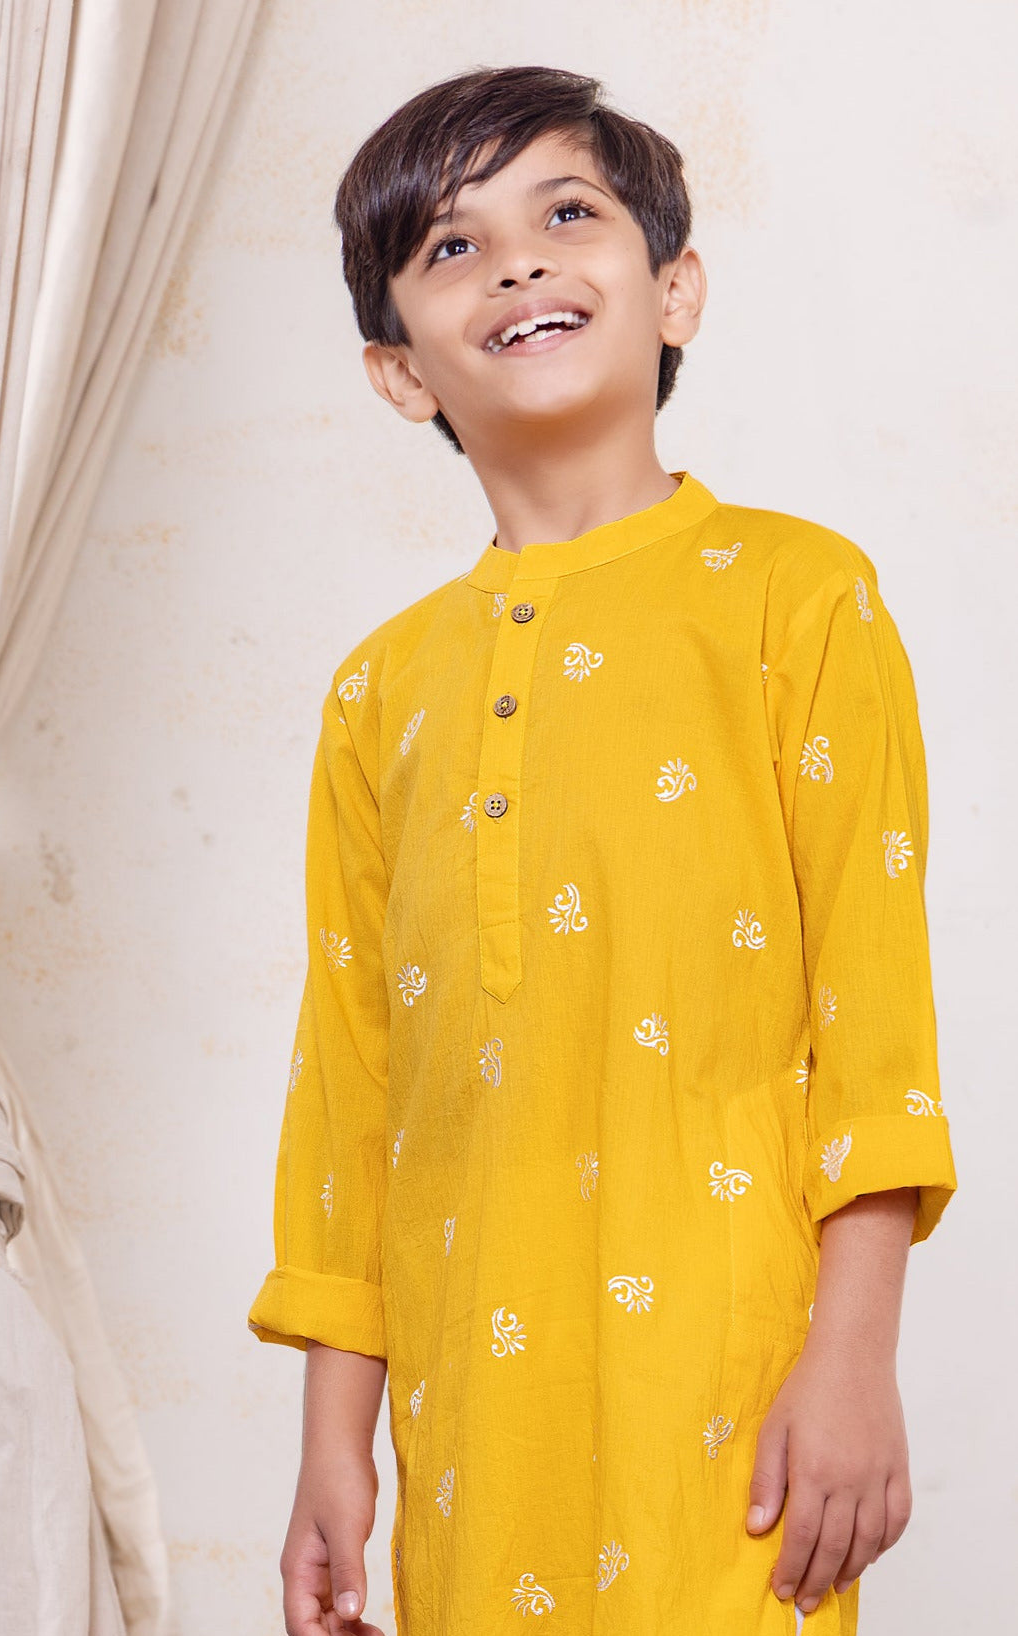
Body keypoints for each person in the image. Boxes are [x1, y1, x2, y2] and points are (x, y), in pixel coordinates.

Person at [247, 63, 958, 1636]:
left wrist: (855, 1356)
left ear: (674, 288)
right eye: (452, 246)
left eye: (567, 215)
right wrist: (333, 1447)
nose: (517, 265)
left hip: (733, 1396)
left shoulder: (797, 600)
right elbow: (352, 1086)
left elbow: (873, 1020)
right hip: (469, 1422)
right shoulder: (378, 693)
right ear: (398, 371)